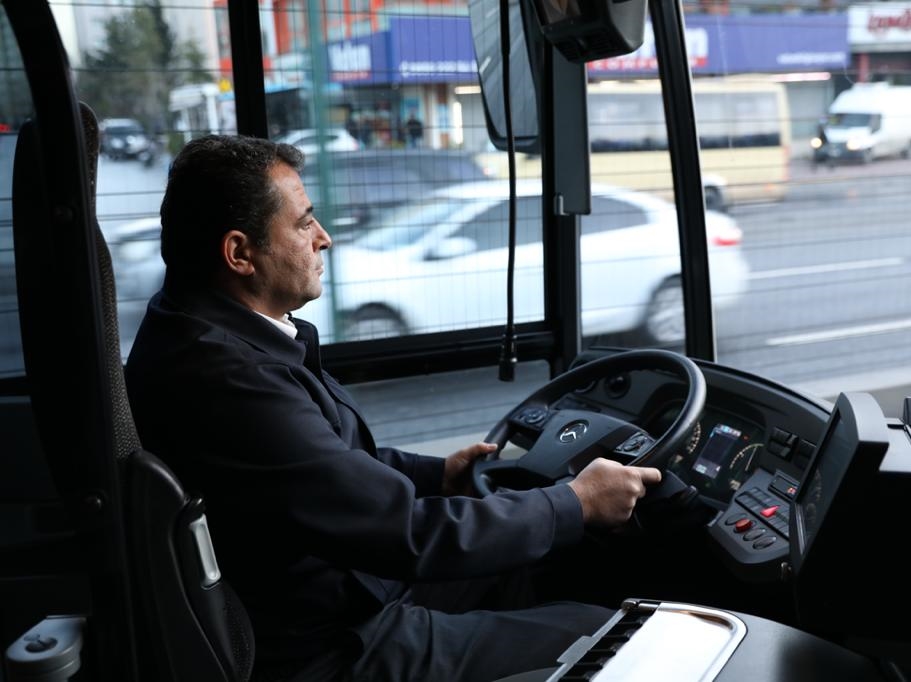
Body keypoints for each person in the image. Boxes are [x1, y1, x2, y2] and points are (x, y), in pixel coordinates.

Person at [125, 135, 662, 681]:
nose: (324, 237)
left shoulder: (203, 330)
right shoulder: (230, 380)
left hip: (343, 586)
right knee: (612, 638)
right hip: (332, 644)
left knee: (537, 568)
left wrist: (438, 474)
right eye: (304, 224)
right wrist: (575, 502)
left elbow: (322, 465)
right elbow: (404, 532)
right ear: (240, 253)